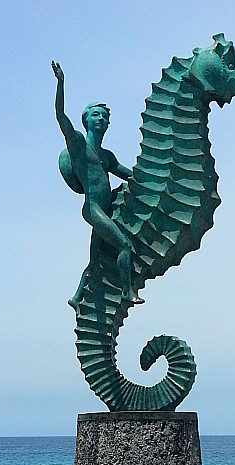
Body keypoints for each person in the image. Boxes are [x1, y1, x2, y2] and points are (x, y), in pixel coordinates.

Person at [51, 61, 144, 312]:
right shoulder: (79, 145)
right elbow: (61, 117)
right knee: (124, 245)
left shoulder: (108, 157)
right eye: (95, 115)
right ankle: (127, 292)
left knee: (96, 260)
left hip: (107, 206)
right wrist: (61, 83)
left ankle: (77, 296)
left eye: (104, 116)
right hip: (93, 209)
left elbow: (132, 175)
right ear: (86, 121)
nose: (100, 119)